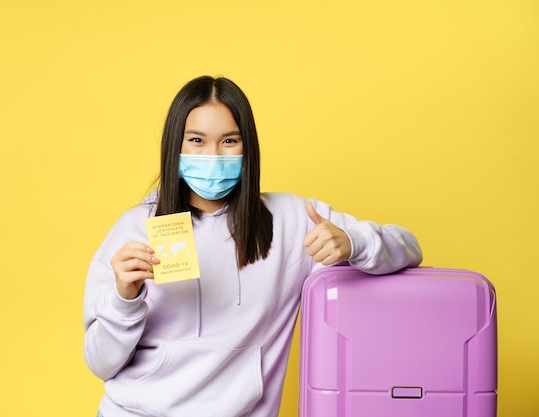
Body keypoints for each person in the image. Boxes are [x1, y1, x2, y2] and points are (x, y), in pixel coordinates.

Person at [83, 76, 423, 417]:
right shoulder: (134, 229)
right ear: (176, 146)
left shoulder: (294, 220)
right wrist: (124, 300)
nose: (213, 155)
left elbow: (408, 246)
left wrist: (353, 242)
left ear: (248, 148)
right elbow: (100, 364)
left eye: (229, 140)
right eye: (197, 140)